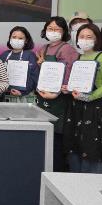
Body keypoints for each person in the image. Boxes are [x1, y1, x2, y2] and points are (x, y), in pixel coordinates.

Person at [64, 24, 102, 174]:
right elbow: (78, 83)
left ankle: (92, 184)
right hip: (77, 107)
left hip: (95, 108)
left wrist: (88, 97)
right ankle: (76, 183)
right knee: (76, 146)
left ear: (97, 39)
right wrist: (68, 88)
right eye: (81, 37)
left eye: (89, 37)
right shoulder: (79, 57)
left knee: (92, 148)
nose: (85, 40)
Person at [35, 17, 79, 171]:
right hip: (43, 97)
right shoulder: (44, 48)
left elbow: (69, 75)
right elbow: (43, 74)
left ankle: (56, 173)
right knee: (44, 138)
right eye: (50, 28)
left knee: (57, 140)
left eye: (57, 29)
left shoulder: (67, 49)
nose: (53, 32)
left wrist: (57, 92)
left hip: (59, 101)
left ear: (64, 32)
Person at [0, 26, 39, 103]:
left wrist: (24, 92)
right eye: (14, 37)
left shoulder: (30, 55)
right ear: (10, 38)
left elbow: (34, 76)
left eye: (20, 38)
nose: (16, 40)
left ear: (26, 40)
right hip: (5, 95)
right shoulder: (4, 55)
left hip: (24, 96)